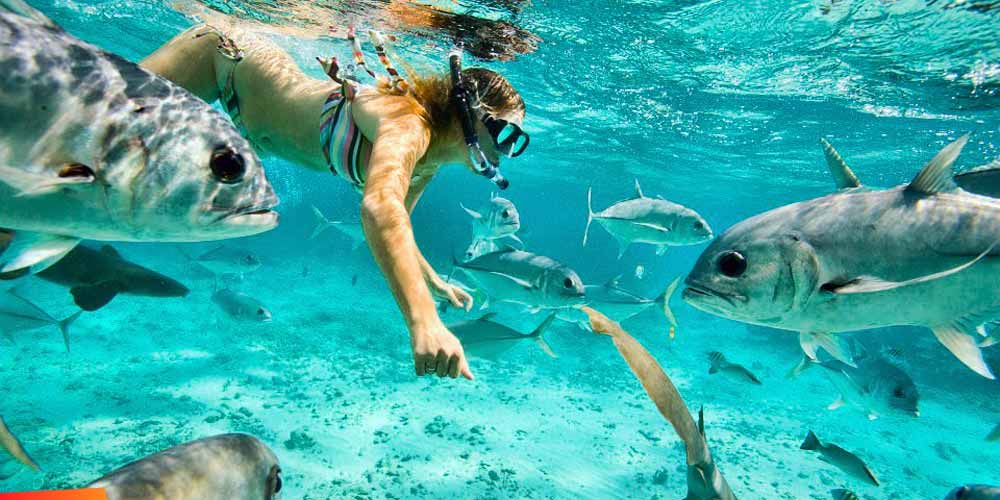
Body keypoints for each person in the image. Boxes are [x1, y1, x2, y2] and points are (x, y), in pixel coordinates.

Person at [140, 24, 530, 380]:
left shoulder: (429, 163)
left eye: (516, 142)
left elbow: (399, 228)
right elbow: (379, 209)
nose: (506, 150)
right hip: (226, 59)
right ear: (469, 113)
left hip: (250, 120)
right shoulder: (409, 126)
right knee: (102, 116)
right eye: (504, 133)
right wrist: (424, 321)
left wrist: (433, 283)